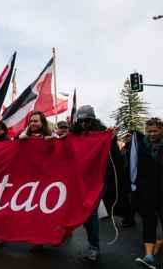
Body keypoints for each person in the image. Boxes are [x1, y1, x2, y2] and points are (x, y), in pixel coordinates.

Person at [70, 105, 126, 262]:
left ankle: (94, 246)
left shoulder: (102, 135)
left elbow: (115, 158)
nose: (84, 124)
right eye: (81, 121)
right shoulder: (73, 135)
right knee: (80, 213)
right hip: (78, 181)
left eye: (87, 120)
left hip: (97, 182)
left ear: (93, 120)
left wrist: (111, 139)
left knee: (91, 212)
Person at [129, 118, 163, 268]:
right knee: (148, 222)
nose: (152, 134)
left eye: (155, 131)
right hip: (147, 191)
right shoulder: (140, 146)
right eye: (149, 131)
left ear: (162, 130)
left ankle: (160, 242)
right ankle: (148, 255)